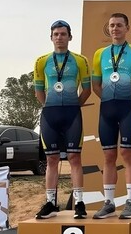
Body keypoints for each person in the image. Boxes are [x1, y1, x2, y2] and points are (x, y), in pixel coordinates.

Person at [91, 13, 131, 219]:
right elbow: (96, 85)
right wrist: (108, 99)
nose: (115, 29)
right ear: (108, 29)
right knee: (108, 156)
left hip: (128, 109)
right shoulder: (100, 54)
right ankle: (108, 203)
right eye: (112, 25)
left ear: (127, 28)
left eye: (119, 25)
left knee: (127, 154)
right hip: (107, 109)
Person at [34, 20, 91, 219]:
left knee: (75, 158)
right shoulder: (41, 61)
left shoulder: (80, 60)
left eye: (63, 34)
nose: (59, 37)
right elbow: (38, 90)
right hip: (50, 114)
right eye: (56, 34)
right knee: (51, 159)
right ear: (51, 38)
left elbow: (87, 89)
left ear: (70, 37)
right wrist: (49, 106)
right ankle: (50, 203)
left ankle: (79, 203)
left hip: (72, 114)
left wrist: (74, 105)